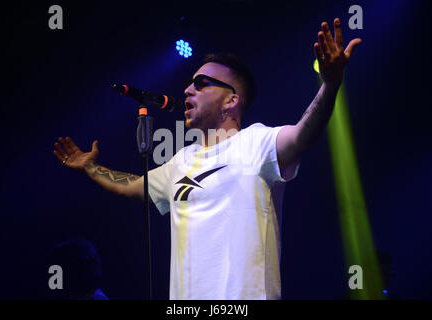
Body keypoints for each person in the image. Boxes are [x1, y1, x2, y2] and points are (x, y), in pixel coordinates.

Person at [53, 19, 361, 299]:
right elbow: (130, 186)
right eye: (189, 83)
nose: (187, 90)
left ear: (231, 100)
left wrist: (330, 86)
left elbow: (302, 134)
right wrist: (89, 167)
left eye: (201, 84)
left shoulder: (256, 141)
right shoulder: (181, 161)